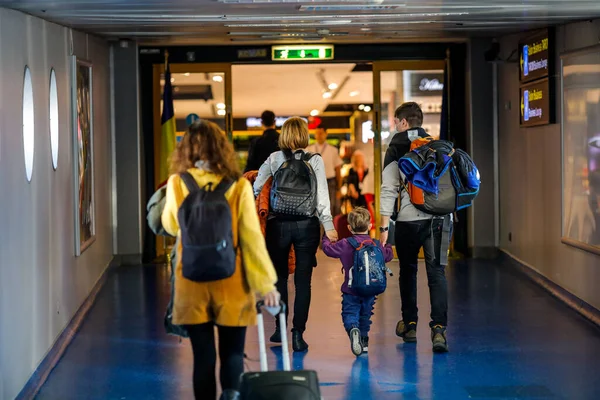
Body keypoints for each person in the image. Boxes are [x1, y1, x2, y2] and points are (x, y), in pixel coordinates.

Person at [161, 120, 280, 400]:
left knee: (202, 357)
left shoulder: (178, 182)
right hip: (233, 281)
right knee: (233, 354)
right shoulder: (237, 185)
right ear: (221, 149)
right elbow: (251, 239)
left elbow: (170, 225)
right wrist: (266, 285)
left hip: (192, 280)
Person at [254, 117, 338, 352]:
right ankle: (298, 334)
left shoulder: (274, 159)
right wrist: (328, 226)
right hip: (307, 226)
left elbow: (256, 187)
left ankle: (279, 327)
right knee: (303, 283)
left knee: (279, 278)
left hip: (277, 226)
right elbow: (322, 196)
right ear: (304, 135)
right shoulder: (315, 161)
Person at [379, 102, 451, 353]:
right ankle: (439, 330)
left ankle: (410, 325)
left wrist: (383, 226)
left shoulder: (396, 146)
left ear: (404, 122)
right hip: (439, 220)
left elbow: (388, 187)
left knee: (408, 271)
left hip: (409, 221)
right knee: (437, 273)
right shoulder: (437, 145)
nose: (395, 126)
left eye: (396, 121)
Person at [322, 207, 393, 356]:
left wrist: (326, 237)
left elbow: (328, 250)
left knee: (349, 313)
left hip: (351, 289)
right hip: (371, 289)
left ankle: (353, 329)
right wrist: (385, 243)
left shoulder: (345, 244)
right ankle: (364, 343)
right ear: (370, 226)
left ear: (349, 227)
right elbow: (388, 255)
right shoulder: (375, 244)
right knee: (365, 316)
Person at [306, 125, 343, 215]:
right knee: (315, 207)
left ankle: (329, 227)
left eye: (321, 133)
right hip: (314, 181)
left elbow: (338, 169)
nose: (319, 135)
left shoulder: (333, 149)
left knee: (330, 207)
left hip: (329, 181)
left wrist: (339, 188)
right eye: (317, 133)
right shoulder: (309, 149)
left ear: (326, 134)